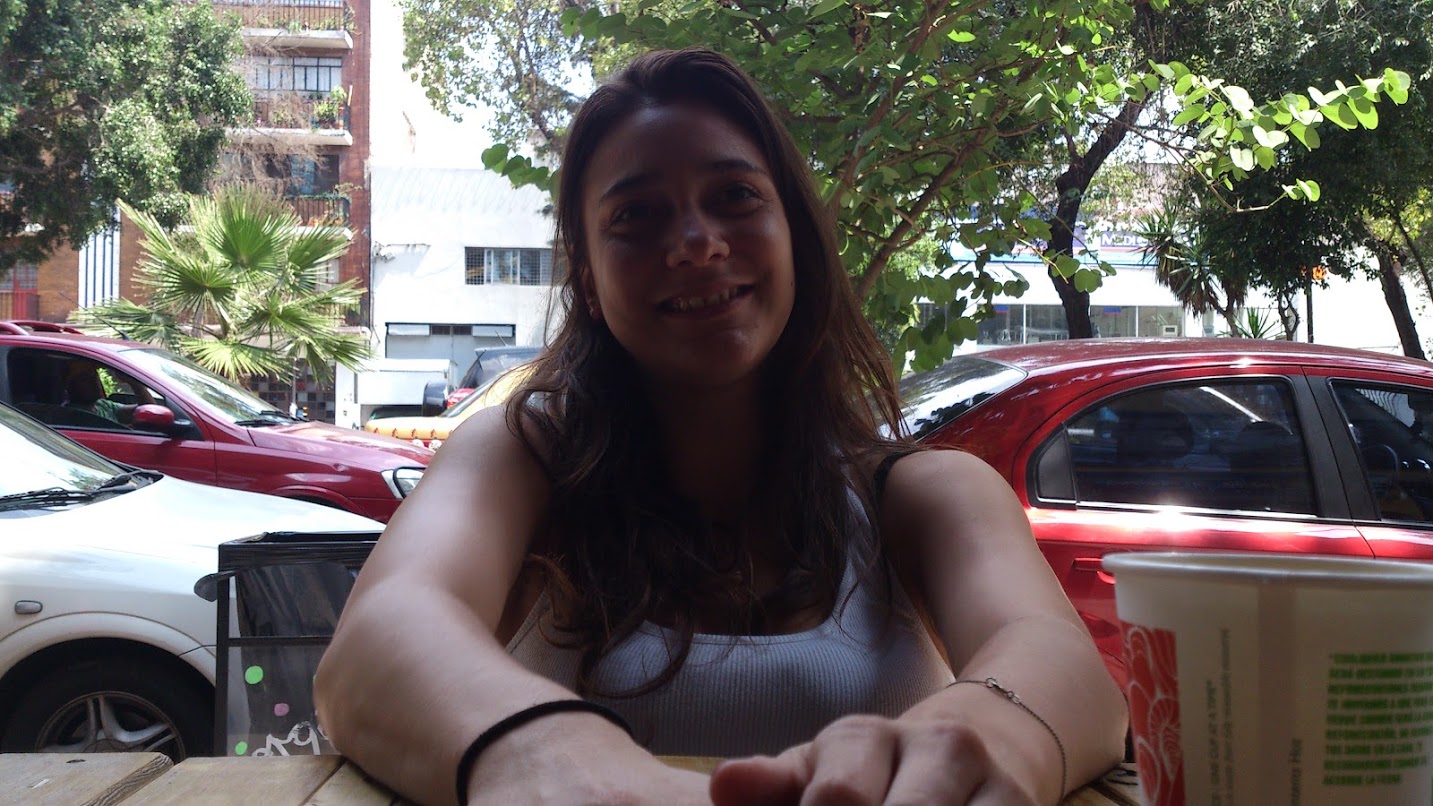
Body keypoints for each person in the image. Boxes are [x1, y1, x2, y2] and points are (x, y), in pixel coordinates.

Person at [314, 48, 1127, 806]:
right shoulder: (517, 459)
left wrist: (978, 736)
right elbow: (380, 635)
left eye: (734, 196)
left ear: (793, 236)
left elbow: (1064, 667)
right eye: (636, 214)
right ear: (588, 281)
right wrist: (538, 750)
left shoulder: (927, 493)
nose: (697, 245)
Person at [63, 362, 152, 425]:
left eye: (94, 376)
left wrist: (136, 385)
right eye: (85, 379)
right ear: (70, 387)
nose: (94, 382)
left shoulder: (103, 405)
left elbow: (149, 411)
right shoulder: (73, 415)